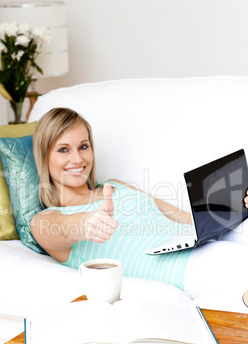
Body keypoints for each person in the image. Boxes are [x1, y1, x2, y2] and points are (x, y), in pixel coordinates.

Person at [31, 107, 248, 292]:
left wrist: (233, 208)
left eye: (83, 146)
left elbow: (183, 218)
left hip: (198, 244)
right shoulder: (44, 220)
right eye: (63, 150)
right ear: (44, 156)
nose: (77, 158)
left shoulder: (115, 185)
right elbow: (65, 229)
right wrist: (88, 223)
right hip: (181, 267)